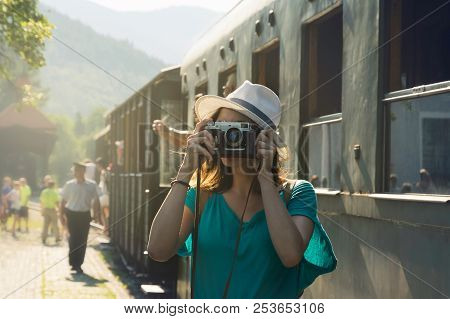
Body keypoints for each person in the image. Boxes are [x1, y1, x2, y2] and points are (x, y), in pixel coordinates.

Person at [148, 81, 337, 298]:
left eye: (237, 130)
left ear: (264, 139)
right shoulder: (202, 196)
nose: (228, 137)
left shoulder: (296, 194)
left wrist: (265, 178)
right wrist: (185, 171)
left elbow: (290, 255)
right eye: (220, 129)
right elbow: (158, 250)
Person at [60, 162, 101, 274]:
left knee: (82, 239)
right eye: (75, 170)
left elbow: (96, 199)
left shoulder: (91, 185)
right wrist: (61, 215)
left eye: (79, 170)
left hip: (84, 214)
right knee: (73, 238)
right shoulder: (69, 185)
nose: (76, 173)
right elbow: (63, 201)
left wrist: (96, 213)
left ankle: (79, 264)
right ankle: (73, 262)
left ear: (84, 172)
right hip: (71, 214)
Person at [40, 179, 61, 244]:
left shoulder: (44, 192)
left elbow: (41, 201)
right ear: (53, 185)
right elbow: (57, 202)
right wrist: (59, 210)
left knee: (45, 225)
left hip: (46, 209)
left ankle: (43, 238)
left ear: (48, 185)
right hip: (52, 209)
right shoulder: (55, 192)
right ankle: (57, 238)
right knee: (55, 224)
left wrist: (42, 209)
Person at [96, 157, 110, 234]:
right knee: (107, 211)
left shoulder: (103, 172)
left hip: (104, 193)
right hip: (107, 193)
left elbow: (106, 183)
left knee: (103, 211)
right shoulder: (107, 171)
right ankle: (107, 227)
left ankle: (105, 227)